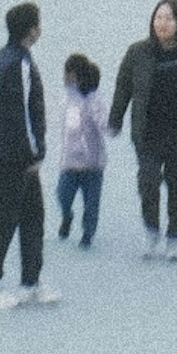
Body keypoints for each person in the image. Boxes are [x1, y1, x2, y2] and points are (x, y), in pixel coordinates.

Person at [109, 0, 177, 256]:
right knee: (148, 182)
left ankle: (175, 237)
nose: (162, 24)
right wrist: (116, 119)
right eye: (158, 18)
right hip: (148, 131)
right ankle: (152, 231)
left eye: (169, 18)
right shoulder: (137, 53)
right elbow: (123, 87)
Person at [0, 0, 56, 309]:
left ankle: (31, 283)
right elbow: (25, 113)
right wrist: (35, 154)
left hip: (1, 150)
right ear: (32, 30)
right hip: (13, 156)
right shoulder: (20, 64)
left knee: (33, 215)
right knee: (5, 218)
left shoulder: (0, 58)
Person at [54, 49, 108, 256]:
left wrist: (109, 126)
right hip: (70, 161)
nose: (63, 77)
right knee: (62, 194)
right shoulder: (67, 98)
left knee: (91, 203)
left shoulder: (94, 99)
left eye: (66, 73)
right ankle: (67, 215)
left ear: (74, 75)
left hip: (93, 163)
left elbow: (104, 122)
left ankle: (88, 233)